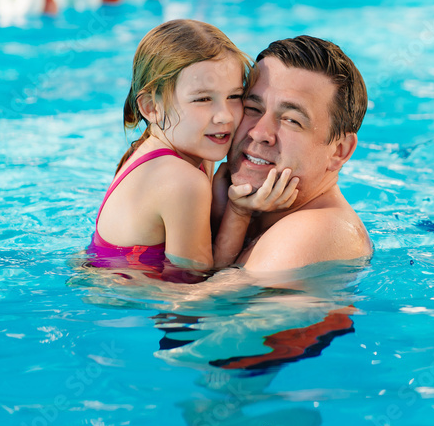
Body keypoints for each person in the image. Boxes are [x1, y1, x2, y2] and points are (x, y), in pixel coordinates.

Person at [88, 19, 299, 273]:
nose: (225, 116)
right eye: (203, 99)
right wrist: (239, 211)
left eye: (234, 96)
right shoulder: (182, 181)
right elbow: (194, 286)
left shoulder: (181, 151)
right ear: (151, 108)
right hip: (130, 301)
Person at [212, 35, 374, 272]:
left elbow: (196, 308)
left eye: (291, 120)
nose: (259, 133)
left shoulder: (317, 230)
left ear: (339, 151)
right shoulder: (237, 205)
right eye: (252, 108)